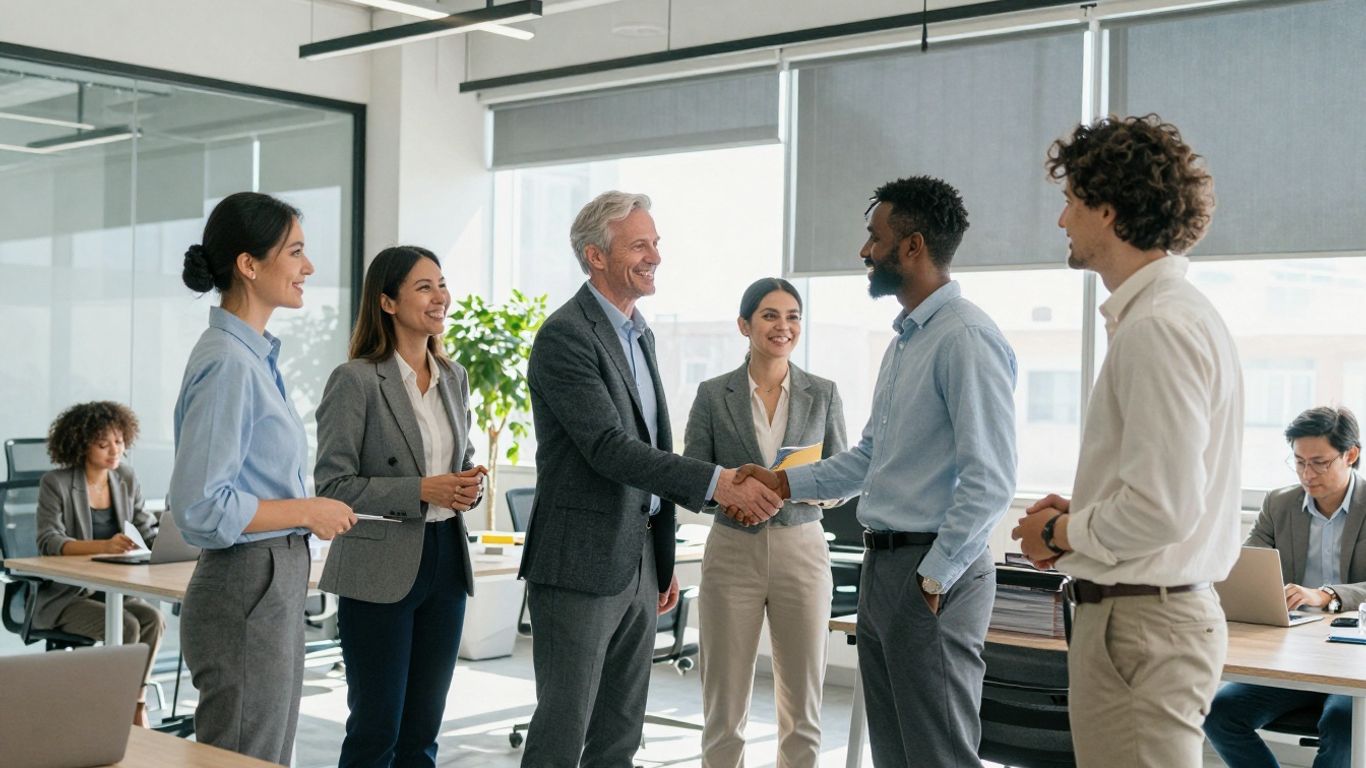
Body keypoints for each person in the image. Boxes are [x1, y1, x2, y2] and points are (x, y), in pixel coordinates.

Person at [736, 176, 1018, 767]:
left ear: (912, 247)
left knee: (937, 754)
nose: (865, 251)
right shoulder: (907, 342)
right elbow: (870, 458)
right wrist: (784, 482)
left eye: (876, 237)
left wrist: (935, 577)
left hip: (931, 572)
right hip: (885, 567)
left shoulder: (965, 338)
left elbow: (990, 478)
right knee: (893, 752)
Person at [517, 190, 783, 767]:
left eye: (656, 243)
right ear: (595, 255)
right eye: (639, 244)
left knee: (620, 734)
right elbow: (610, 449)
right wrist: (718, 482)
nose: (654, 255)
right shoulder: (566, 335)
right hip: (580, 563)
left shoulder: (641, 333)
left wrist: (659, 560)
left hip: (637, 560)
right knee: (564, 729)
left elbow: (655, 449)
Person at [1011, 114, 1242, 768]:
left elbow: (1162, 508)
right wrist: (1079, 515)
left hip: (1142, 627)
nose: (1062, 221)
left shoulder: (1158, 328)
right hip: (1140, 620)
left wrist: (1060, 535)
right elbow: (1159, 492)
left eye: (1071, 202)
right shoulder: (1165, 318)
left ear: (1107, 212)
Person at [170, 191, 356, 765]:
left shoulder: (252, 357)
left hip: (268, 577)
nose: (309, 267)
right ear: (249, 265)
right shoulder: (228, 361)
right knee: (247, 756)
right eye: (296, 251)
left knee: (266, 753)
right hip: (246, 580)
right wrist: (307, 509)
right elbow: (203, 506)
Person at [315, 245, 487, 768]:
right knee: (376, 729)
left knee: (422, 731)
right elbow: (333, 484)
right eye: (424, 287)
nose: (441, 297)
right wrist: (420, 489)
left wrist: (466, 484)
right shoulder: (357, 380)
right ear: (387, 302)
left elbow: (460, 458)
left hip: (444, 562)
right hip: (379, 567)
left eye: (442, 284)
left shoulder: (453, 376)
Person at [683, 277, 847, 768]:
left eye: (793, 316)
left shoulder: (824, 393)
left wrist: (812, 488)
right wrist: (731, 494)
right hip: (733, 551)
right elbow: (693, 475)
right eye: (771, 315)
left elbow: (846, 478)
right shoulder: (714, 395)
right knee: (724, 700)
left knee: (803, 706)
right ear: (745, 325)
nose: (784, 326)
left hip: (804, 548)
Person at [1203, 406, 1366, 768]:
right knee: (1219, 713)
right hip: (1291, 653)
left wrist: (1329, 594)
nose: (1308, 474)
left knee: (1344, 724)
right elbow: (1245, 565)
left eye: (1320, 462)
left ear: (1350, 454)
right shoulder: (1279, 503)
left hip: (1355, 658)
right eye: (1299, 461)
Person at [33, 400, 164, 726]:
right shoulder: (56, 483)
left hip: (112, 589)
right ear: (81, 445)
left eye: (119, 441)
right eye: (103, 443)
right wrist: (103, 546)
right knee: (128, 626)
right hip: (67, 595)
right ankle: (107, 711)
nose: (114, 451)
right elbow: (49, 541)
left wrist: (171, 543)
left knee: (153, 619)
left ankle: (135, 701)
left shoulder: (126, 479)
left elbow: (146, 528)